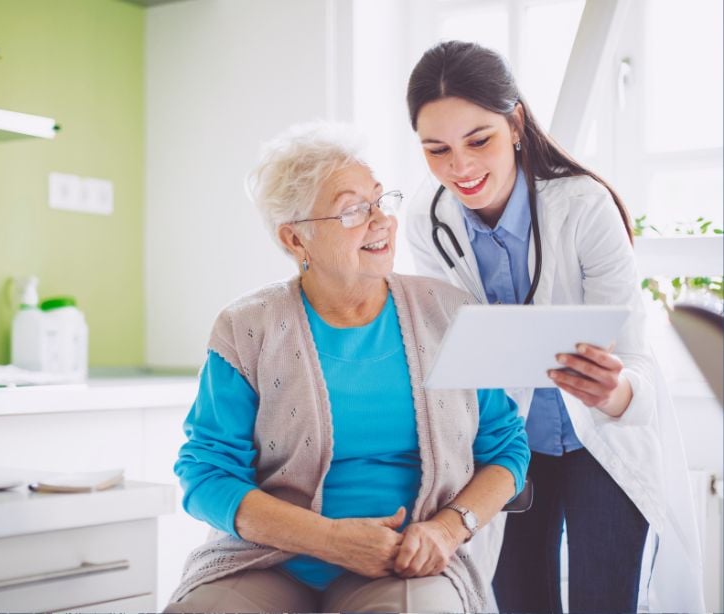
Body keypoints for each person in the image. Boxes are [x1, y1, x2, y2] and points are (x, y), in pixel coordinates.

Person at [164, 122, 530, 613]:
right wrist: (328, 539)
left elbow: (506, 449)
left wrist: (447, 528)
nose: (380, 220)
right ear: (296, 240)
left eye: (380, 200)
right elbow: (205, 473)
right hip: (266, 562)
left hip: (404, 564)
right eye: (353, 210)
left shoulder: (450, 314)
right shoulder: (247, 327)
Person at [404, 40, 705, 614]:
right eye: (436, 149)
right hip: (505, 451)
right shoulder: (429, 219)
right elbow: (454, 345)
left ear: (515, 123)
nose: (460, 168)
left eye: (479, 140)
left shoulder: (584, 207)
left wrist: (615, 391)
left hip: (603, 446)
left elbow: (635, 357)